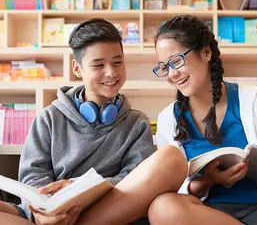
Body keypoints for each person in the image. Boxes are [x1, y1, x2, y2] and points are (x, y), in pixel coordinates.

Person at [0, 18, 188, 225]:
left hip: (106, 211)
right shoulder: (49, 118)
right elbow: (33, 177)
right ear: (77, 69)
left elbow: (136, 181)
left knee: (168, 160)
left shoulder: (137, 123)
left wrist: (79, 188)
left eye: (117, 62)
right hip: (48, 215)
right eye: (98, 65)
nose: (111, 72)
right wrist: (43, 211)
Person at [148, 15, 257, 225]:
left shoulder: (256, 101)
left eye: (176, 61)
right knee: (162, 208)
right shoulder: (168, 119)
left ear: (206, 52)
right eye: (163, 67)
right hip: (205, 216)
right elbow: (173, 189)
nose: (172, 74)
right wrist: (210, 180)